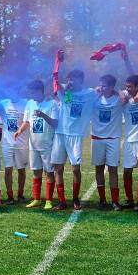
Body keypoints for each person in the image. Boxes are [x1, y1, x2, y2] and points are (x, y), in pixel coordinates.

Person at [52, 69, 97, 210]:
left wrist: (102, 88)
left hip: (76, 135)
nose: (71, 81)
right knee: (58, 168)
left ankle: (75, 199)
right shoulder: (67, 94)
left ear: (81, 80)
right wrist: (57, 63)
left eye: (74, 79)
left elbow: (106, 90)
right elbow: (56, 82)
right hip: (60, 134)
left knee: (76, 169)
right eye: (69, 79)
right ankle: (61, 201)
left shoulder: (89, 94)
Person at [15, 79, 59, 210]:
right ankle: (36, 199)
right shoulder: (30, 103)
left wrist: (43, 115)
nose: (31, 95)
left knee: (49, 172)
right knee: (36, 172)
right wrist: (20, 130)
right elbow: (27, 121)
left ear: (40, 91)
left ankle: (49, 200)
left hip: (47, 145)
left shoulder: (52, 104)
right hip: (33, 145)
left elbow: (55, 123)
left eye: (33, 92)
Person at [91, 74, 128, 211]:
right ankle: (102, 199)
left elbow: (126, 95)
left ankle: (115, 201)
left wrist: (117, 90)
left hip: (113, 140)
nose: (101, 87)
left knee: (113, 170)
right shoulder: (94, 98)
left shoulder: (119, 98)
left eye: (104, 85)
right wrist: (97, 91)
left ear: (112, 87)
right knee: (99, 169)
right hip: (97, 139)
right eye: (100, 84)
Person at [120, 75, 138, 209]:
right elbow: (118, 92)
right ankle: (129, 200)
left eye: (130, 86)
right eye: (127, 86)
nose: (127, 89)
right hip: (129, 140)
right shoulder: (125, 99)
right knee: (127, 171)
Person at [0, 96, 29, 204]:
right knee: (8, 170)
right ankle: (10, 197)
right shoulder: (2, 103)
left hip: (21, 143)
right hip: (7, 143)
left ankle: (20, 195)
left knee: (21, 170)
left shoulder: (25, 103)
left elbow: (28, 121)